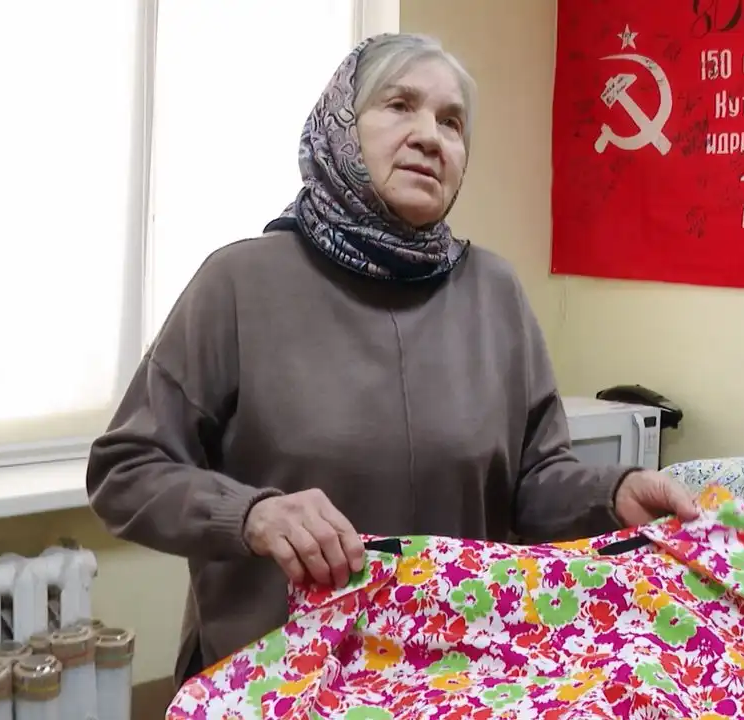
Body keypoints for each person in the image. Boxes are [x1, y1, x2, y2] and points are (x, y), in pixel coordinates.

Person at [85, 32, 699, 683]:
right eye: (399, 105)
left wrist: (616, 492)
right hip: (278, 681)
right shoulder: (237, 283)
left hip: (452, 680)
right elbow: (126, 470)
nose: (430, 137)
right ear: (340, 126)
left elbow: (533, 483)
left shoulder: (495, 293)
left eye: (451, 122)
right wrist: (252, 515)